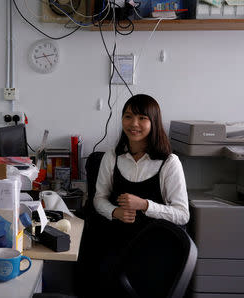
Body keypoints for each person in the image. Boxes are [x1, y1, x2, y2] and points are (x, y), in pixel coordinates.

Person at [79, 94, 189, 297]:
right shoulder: (112, 156)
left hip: (154, 249)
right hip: (116, 243)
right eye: (128, 116)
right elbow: (99, 198)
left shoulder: (169, 162)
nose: (134, 124)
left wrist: (146, 205)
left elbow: (182, 214)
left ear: (153, 122)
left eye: (142, 118)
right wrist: (114, 212)